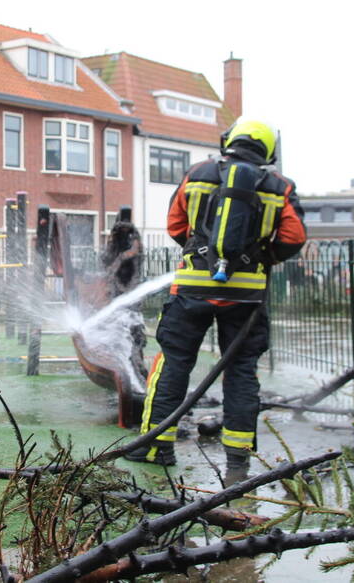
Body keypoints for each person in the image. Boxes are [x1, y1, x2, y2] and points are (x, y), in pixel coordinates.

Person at [125, 117, 306, 486]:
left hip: (192, 287)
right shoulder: (278, 186)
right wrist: (261, 257)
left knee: (173, 363)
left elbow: (176, 225)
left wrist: (202, 253)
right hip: (247, 296)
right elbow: (294, 236)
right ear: (268, 151)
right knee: (240, 372)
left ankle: (157, 445)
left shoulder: (199, 173)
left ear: (230, 140)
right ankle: (238, 460)